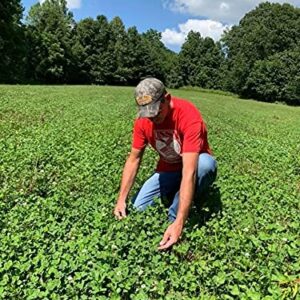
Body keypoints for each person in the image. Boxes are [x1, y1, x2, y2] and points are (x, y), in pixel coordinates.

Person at [114, 77, 217, 250]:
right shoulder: (143, 121)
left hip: (193, 165)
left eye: (155, 113)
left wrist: (179, 222)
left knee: (205, 165)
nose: (152, 119)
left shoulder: (189, 116)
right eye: (147, 114)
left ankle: (175, 215)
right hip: (168, 169)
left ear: (167, 99)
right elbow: (134, 159)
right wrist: (121, 199)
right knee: (138, 207)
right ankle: (177, 192)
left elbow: (189, 171)